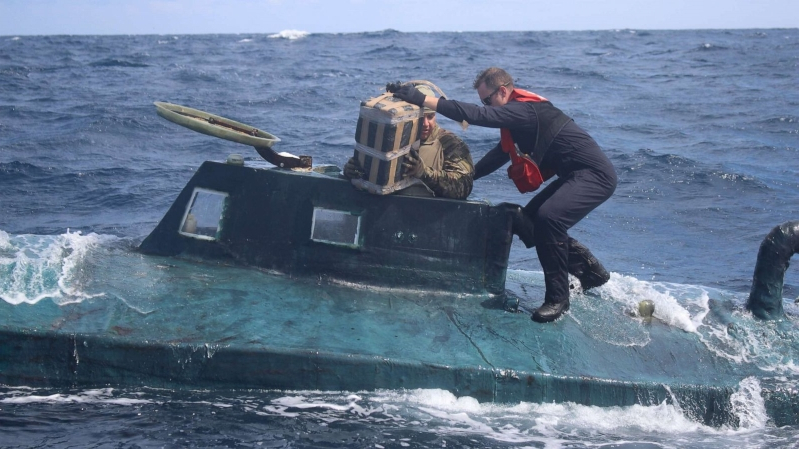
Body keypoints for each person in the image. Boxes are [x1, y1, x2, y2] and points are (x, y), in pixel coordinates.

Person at [392, 68, 617, 323]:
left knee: (549, 218)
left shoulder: (525, 111)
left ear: (503, 91)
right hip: (575, 175)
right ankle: (588, 271)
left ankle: (558, 299)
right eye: (483, 102)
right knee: (527, 219)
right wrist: (466, 177)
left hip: (594, 175)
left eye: (488, 101)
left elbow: (476, 116)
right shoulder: (516, 123)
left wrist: (422, 99)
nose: (486, 106)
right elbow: (500, 154)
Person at [343, 85, 474, 200]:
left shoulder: (450, 144)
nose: (426, 124)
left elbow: (464, 187)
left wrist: (424, 173)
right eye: (421, 118)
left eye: (430, 117)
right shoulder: (390, 139)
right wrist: (352, 172)